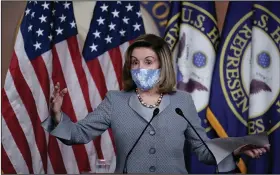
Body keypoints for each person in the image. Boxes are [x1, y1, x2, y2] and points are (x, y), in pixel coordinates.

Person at [42, 34, 270, 174]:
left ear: (163, 66)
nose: (140, 68)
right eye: (134, 62)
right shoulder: (115, 101)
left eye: (148, 62)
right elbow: (78, 134)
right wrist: (57, 115)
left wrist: (236, 149)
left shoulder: (183, 101)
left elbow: (202, 150)